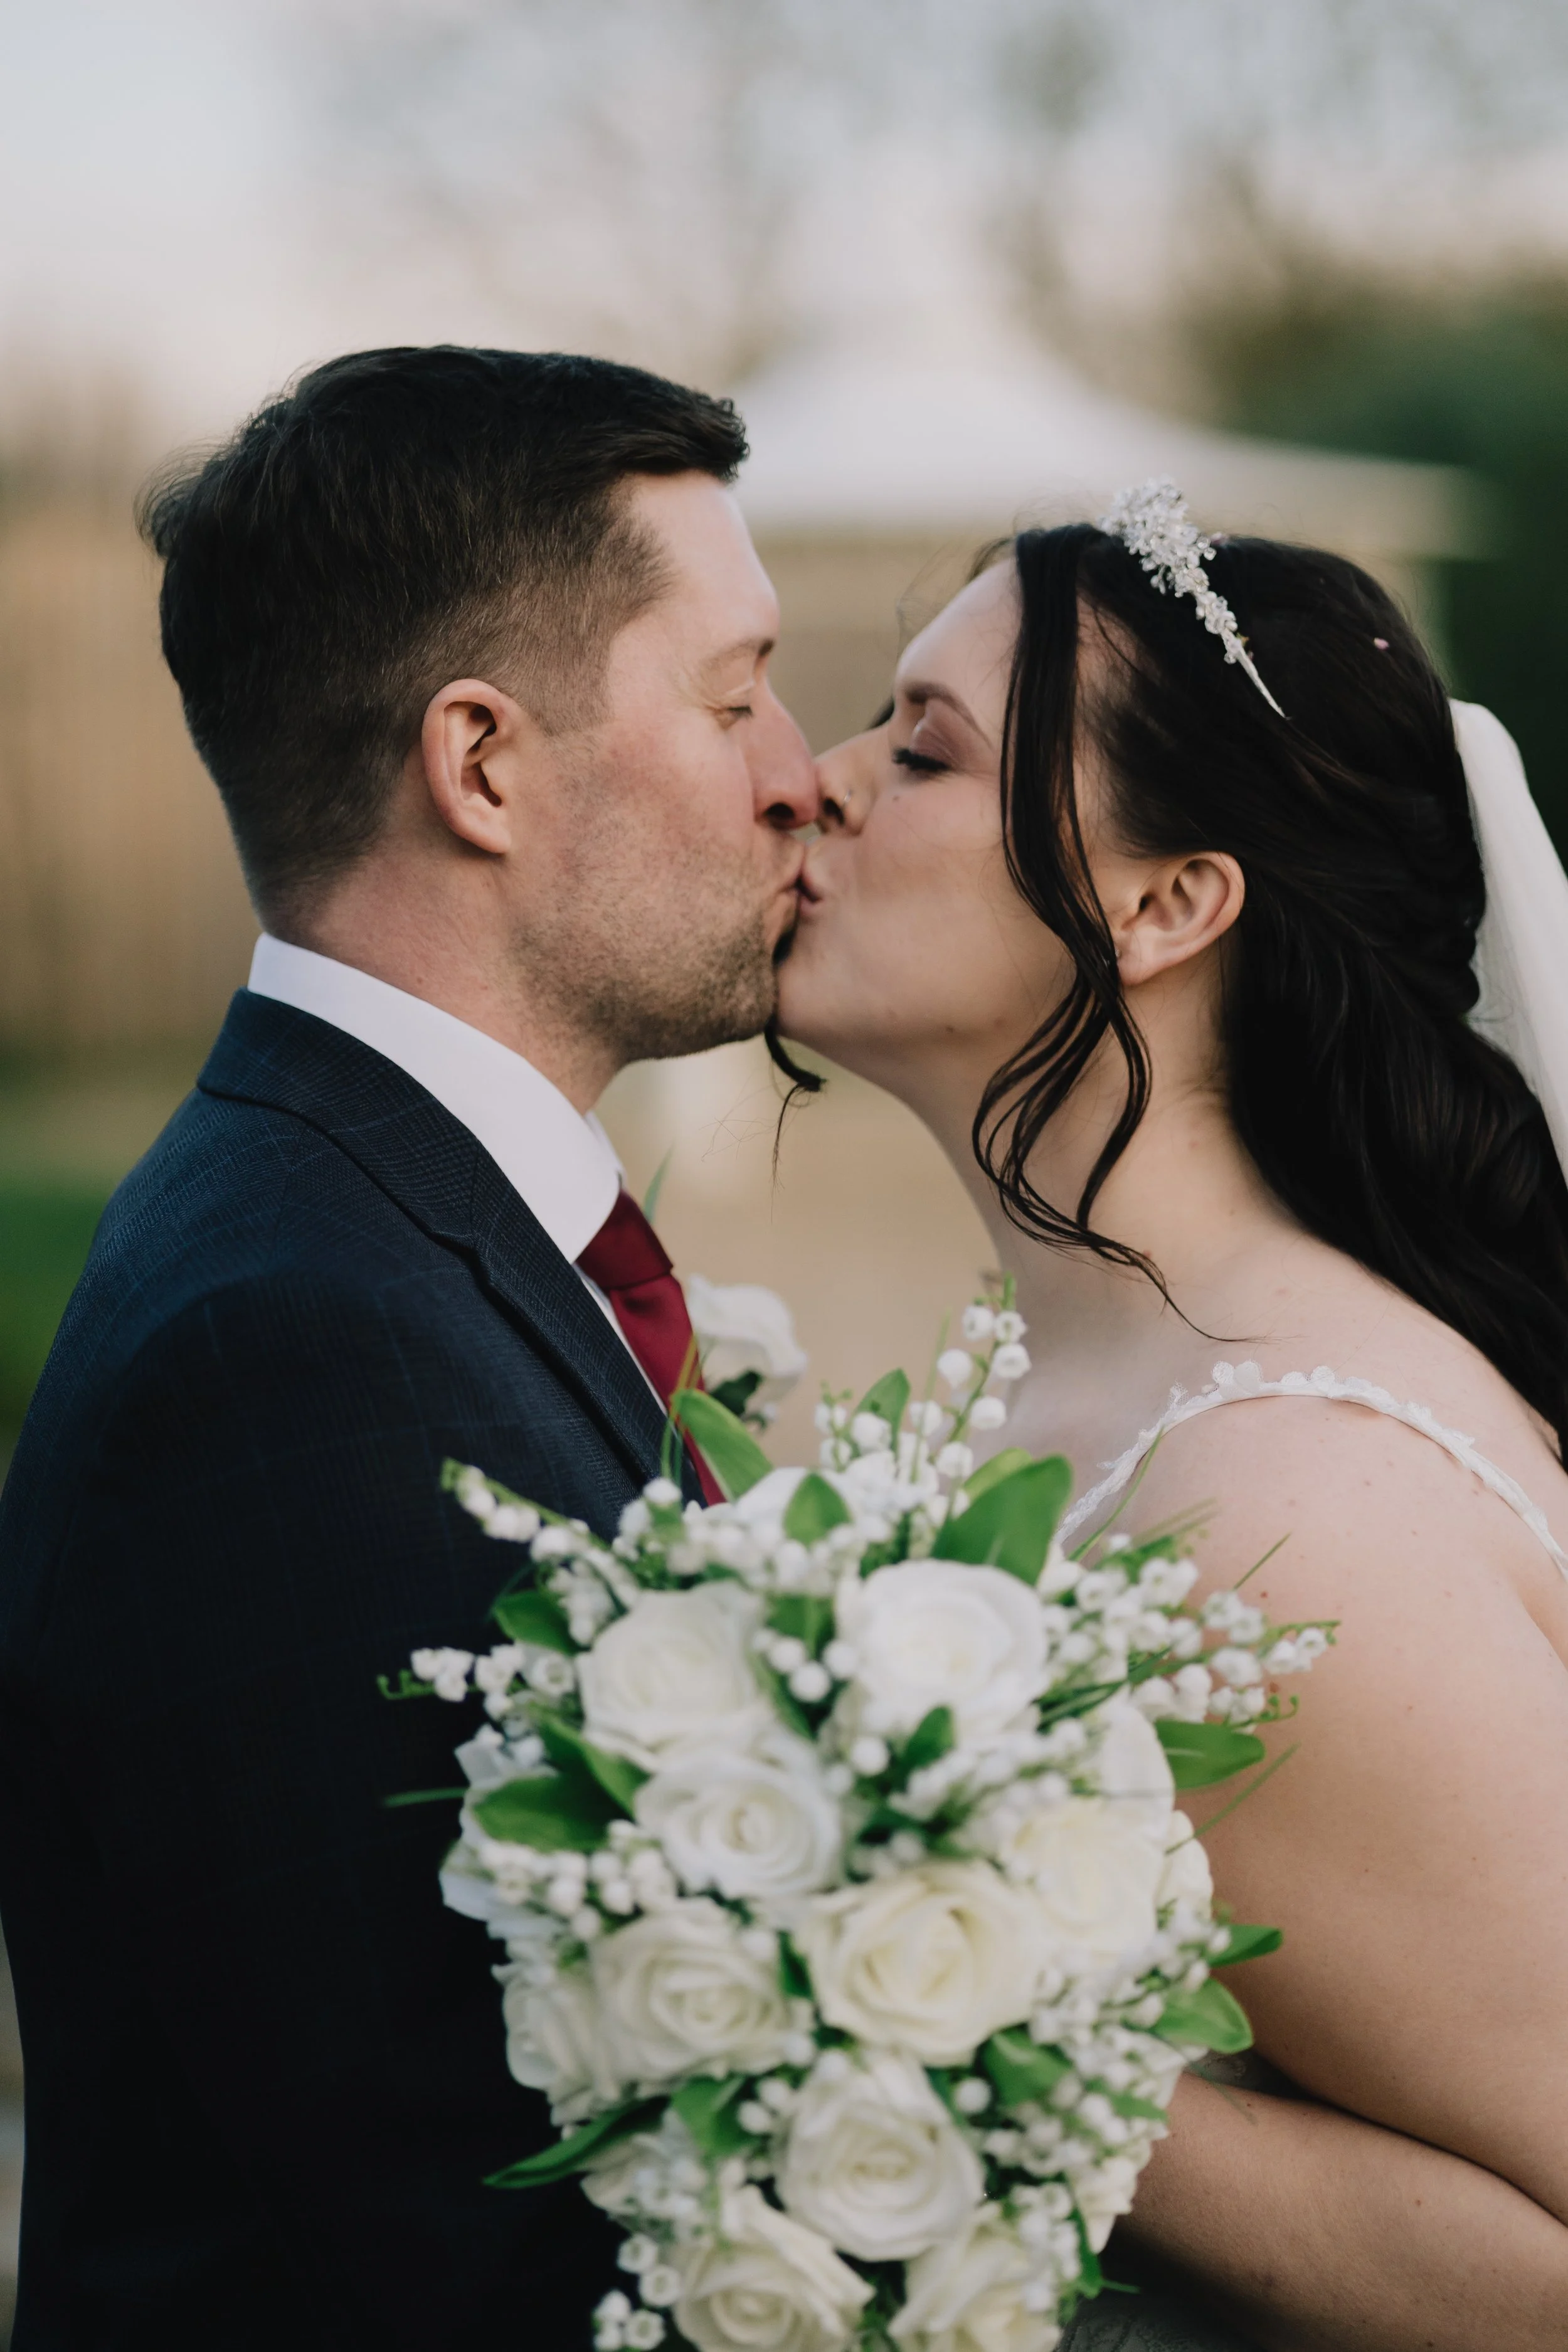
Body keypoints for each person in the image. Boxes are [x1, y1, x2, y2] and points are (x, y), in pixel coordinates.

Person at [0, 346, 817, 2350]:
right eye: (730, 696)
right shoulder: (291, 1347)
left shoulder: (353, 1225)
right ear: (481, 765)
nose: (802, 766)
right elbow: (467, 2242)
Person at [776, 500, 1568, 2349]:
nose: (809, 782)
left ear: (1162, 902)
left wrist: (916, 2017)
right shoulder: (1094, 1373)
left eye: (921, 748)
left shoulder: (1285, 1512)